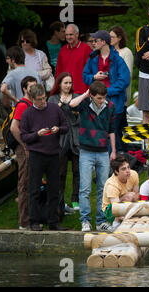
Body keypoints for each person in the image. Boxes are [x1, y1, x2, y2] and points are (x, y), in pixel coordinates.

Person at [69, 81, 117, 233]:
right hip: (86, 151)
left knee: (103, 188)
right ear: (91, 96)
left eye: (104, 97)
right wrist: (85, 94)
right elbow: (71, 104)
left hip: (103, 151)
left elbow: (112, 130)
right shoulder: (84, 104)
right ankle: (85, 220)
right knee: (85, 188)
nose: (102, 100)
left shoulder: (110, 107)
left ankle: (101, 220)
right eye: (98, 98)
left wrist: (113, 151)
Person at [20, 84, 69, 231]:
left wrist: (58, 129)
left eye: (44, 98)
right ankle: (34, 221)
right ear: (33, 99)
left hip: (53, 153)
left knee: (54, 189)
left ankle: (53, 221)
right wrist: (37, 134)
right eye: (40, 100)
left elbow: (66, 126)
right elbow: (24, 136)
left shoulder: (54, 108)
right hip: (36, 154)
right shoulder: (28, 113)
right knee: (34, 189)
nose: (43, 101)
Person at [83, 29, 130, 153]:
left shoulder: (117, 59)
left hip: (114, 102)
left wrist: (106, 92)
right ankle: (100, 162)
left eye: (95, 41)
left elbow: (124, 80)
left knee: (113, 134)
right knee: (99, 134)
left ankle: (113, 163)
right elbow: (84, 76)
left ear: (103, 42)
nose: (93, 43)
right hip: (95, 102)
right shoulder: (92, 58)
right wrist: (94, 77)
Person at [48, 72, 81, 211]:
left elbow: (83, 115)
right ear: (59, 84)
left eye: (70, 83)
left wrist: (77, 114)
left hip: (75, 137)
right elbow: (50, 117)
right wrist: (60, 103)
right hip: (60, 139)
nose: (68, 85)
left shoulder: (77, 97)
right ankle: (60, 200)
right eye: (65, 83)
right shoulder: (53, 99)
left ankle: (75, 199)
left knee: (77, 170)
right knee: (60, 172)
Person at [9, 76, 37, 230]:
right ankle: (24, 221)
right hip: (24, 147)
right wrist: (25, 145)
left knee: (31, 182)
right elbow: (14, 127)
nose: (34, 89)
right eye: (31, 86)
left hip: (32, 145)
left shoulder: (33, 103)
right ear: (25, 89)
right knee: (24, 182)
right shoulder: (23, 105)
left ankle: (32, 217)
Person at [102, 154, 140, 230]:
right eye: (123, 169)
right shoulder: (112, 184)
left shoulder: (134, 174)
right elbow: (116, 208)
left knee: (133, 196)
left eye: (128, 167)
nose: (128, 171)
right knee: (129, 196)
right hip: (110, 209)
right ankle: (115, 225)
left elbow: (137, 195)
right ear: (116, 171)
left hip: (126, 203)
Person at [56, 24, 92, 94]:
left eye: (71, 34)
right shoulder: (63, 50)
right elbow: (58, 72)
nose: (68, 37)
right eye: (66, 35)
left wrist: (88, 91)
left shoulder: (86, 49)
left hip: (81, 91)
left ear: (77, 34)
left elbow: (90, 71)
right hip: (65, 91)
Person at [110, 26, 134, 104]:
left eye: (112, 37)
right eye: (109, 37)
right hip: (109, 93)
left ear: (119, 38)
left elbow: (128, 74)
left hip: (121, 93)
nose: (110, 39)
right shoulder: (109, 52)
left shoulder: (126, 52)